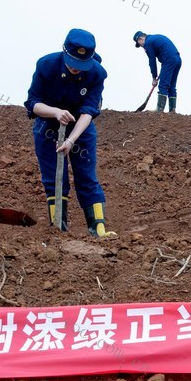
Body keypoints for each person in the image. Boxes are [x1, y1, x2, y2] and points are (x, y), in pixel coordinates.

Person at [26, 28, 117, 239]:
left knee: (87, 176)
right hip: (48, 126)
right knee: (54, 178)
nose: (76, 68)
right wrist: (56, 112)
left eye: (81, 64)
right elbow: (32, 103)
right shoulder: (46, 66)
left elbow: (89, 111)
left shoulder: (97, 73)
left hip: (80, 128)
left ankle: (98, 230)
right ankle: (59, 229)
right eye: (73, 62)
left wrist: (71, 139)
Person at [133, 31, 182, 113]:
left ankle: (159, 110)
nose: (142, 47)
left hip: (168, 60)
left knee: (163, 85)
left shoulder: (148, 43)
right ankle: (172, 110)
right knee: (171, 85)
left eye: (140, 44)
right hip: (178, 60)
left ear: (140, 39)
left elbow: (152, 61)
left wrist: (154, 78)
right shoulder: (155, 37)